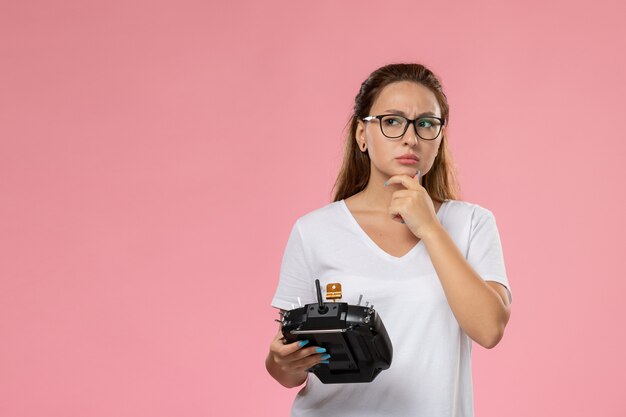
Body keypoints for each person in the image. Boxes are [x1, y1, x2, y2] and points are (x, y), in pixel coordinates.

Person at [265, 63, 512, 417]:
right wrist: (282, 364)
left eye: (426, 123)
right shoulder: (313, 231)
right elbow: (287, 366)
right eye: (392, 121)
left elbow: (489, 329)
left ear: (439, 138)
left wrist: (430, 227)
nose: (411, 137)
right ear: (361, 135)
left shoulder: (471, 223)